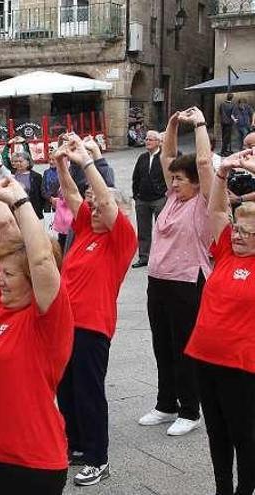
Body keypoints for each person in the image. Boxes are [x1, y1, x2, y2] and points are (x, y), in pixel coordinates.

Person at [0, 175, 72, 494]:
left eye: (8, 274)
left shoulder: (46, 319)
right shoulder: (0, 302)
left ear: (31, 280)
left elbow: (41, 258)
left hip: (25, 464)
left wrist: (19, 201)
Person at [54, 134, 136, 486]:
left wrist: (87, 160)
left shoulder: (120, 239)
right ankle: (75, 445)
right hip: (66, 322)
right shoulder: (86, 229)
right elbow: (74, 196)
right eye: (94, 206)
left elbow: (103, 196)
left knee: (88, 391)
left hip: (92, 325)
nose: (95, 208)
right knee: (66, 388)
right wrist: (61, 164)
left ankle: (98, 457)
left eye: (102, 206)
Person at [138, 107, 214, 437]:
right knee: (162, 345)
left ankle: (190, 409)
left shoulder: (204, 201)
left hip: (188, 282)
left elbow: (203, 163)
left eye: (181, 180)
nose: (175, 182)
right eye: (175, 179)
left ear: (196, 184)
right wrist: (170, 125)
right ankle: (166, 403)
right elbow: (169, 156)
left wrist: (198, 125)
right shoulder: (174, 197)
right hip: (159, 280)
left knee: (184, 347)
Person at [185, 148, 255, 495]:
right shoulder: (226, 249)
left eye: (247, 232)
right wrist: (223, 172)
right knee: (217, 431)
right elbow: (215, 209)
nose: (238, 234)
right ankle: (222, 488)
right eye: (237, 228)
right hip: (204, 357)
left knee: (245, 433)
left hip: (241, 366)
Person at [131, 130, 166, 268]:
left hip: (159, 199)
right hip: (142, 199)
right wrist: (136, 195)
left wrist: (165, 193)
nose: (147, 141)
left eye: (151, 139)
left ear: (158, 142)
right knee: (143, 229)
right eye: (146, 139)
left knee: (161, 229)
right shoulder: (142, 158)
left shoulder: (164, 157)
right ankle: (144, 256)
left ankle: (160, 257)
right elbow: (136, 177)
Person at [7, 151, 45, 219]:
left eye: (20, 161)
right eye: (16, 161)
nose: (18, 163)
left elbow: (41, 196)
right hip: (16, 211)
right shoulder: (12, 176)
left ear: (28, 162)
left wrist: (39, 209)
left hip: (33, 212)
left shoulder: (36, 176)